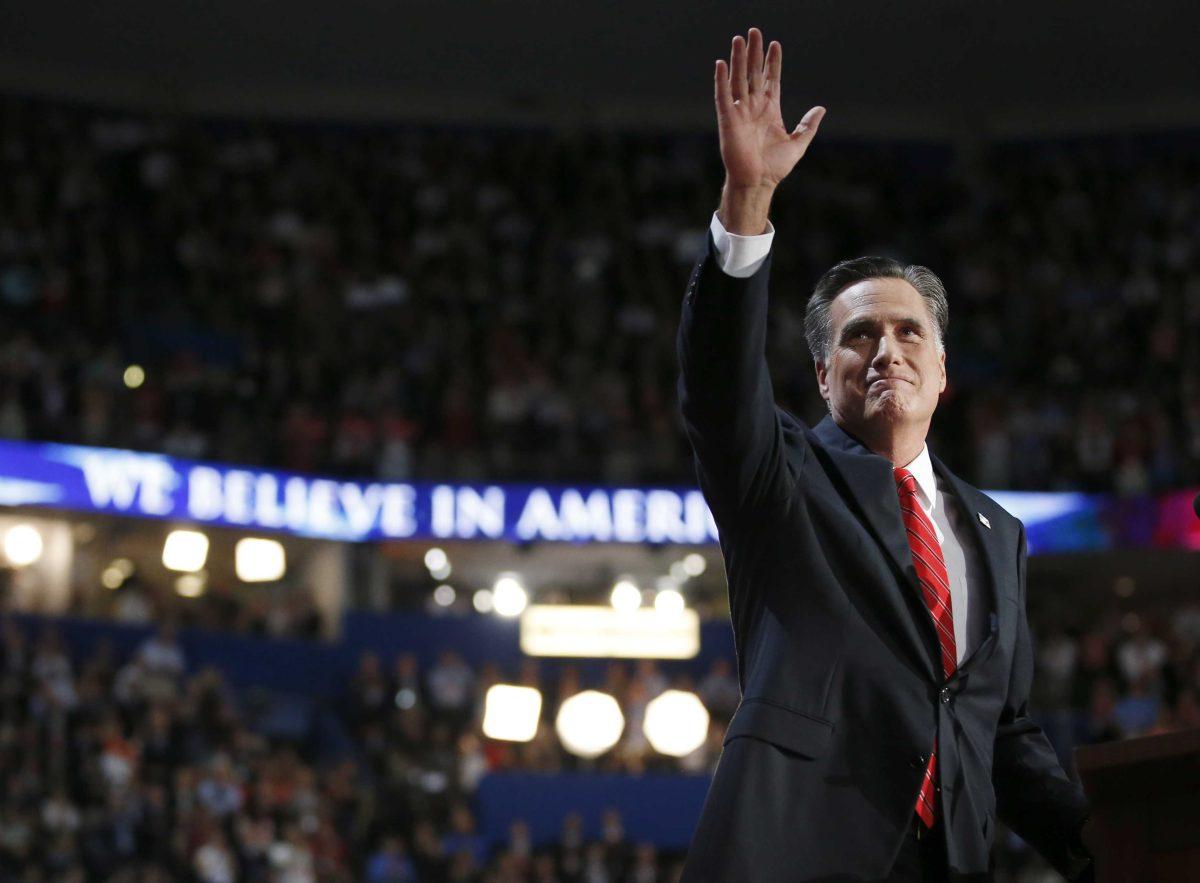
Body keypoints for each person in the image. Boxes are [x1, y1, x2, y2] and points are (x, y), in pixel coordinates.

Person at [676, 27, 1096, 882]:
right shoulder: (782, 480)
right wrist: (747, 203)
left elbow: (999, 728)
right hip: (795, 853)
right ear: (824, 376)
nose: (887, 350)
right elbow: (720, 388)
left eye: (911, 332)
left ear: (943, 371)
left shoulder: (998, 532)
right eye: (858, 335)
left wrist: (1102, 847)